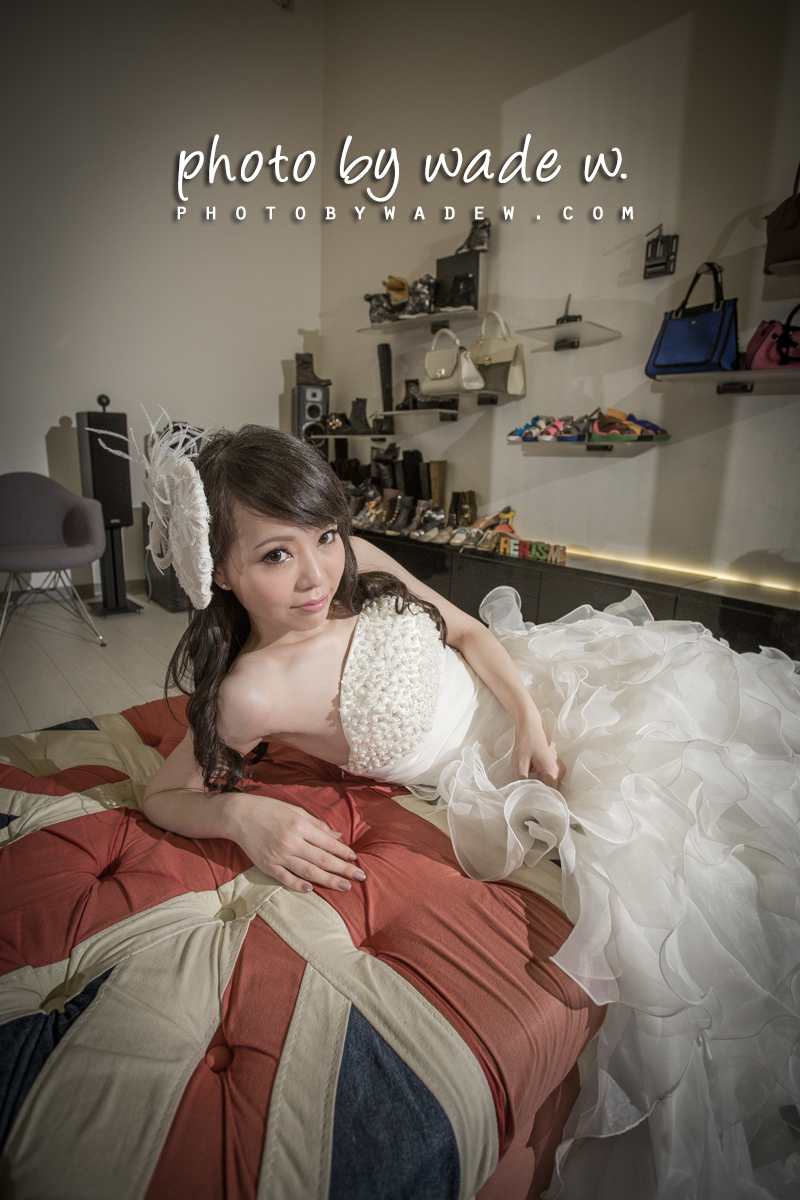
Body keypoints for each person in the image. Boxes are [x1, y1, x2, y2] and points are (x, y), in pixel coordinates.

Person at [140, 422, 800, 1200]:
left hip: (533, 691)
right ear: (220, 570)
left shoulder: (357, 562)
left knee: (720, 738)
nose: (316, 574)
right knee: (679, 853)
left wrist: (527, 718)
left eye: (323, 535)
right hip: (480, 780)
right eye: (276, 555)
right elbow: (162, 794)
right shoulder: (252, 693)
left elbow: (469, 633)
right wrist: (241, 818)